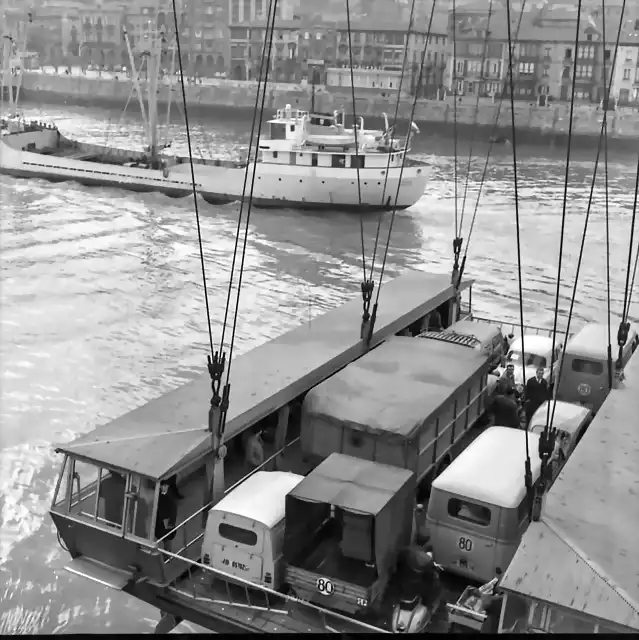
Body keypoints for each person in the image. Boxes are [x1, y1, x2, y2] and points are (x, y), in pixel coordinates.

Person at [155, 480, 178, 549]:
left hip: (166, 521)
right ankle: (167, 555)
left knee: (167, 539)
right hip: (163, 521)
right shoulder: (165, 495)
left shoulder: (167, 496)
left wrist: (171, 522)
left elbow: (173, 510)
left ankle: (167, 556)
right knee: (166, 538)